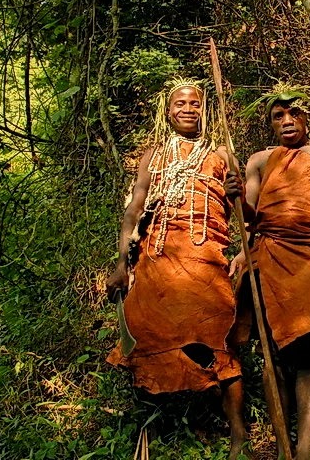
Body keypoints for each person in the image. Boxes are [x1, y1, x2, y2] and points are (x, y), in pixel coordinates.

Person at [106, 76, 247, 459]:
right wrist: (121, 263)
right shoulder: (154, 156)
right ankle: (153, 430)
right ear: (168, 112)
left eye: (195, 103)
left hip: (204, 259)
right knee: (147, 335)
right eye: (180, 104)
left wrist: (244, 246)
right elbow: (133, 210)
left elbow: (245, 217)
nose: (188, 109)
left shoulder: (222, 155)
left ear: (205, 110)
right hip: (155, 259)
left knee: (218, 338)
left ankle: (238, 435)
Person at [226, 91, 310, 460]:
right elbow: (250, 216)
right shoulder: (260, 160)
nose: (288, 121)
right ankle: (282, 446)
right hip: (271, 254)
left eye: (294, 113)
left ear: (306, 117)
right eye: (279, 116)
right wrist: (236, 197)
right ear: (271, 123)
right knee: (273, 352)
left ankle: (305, 447)